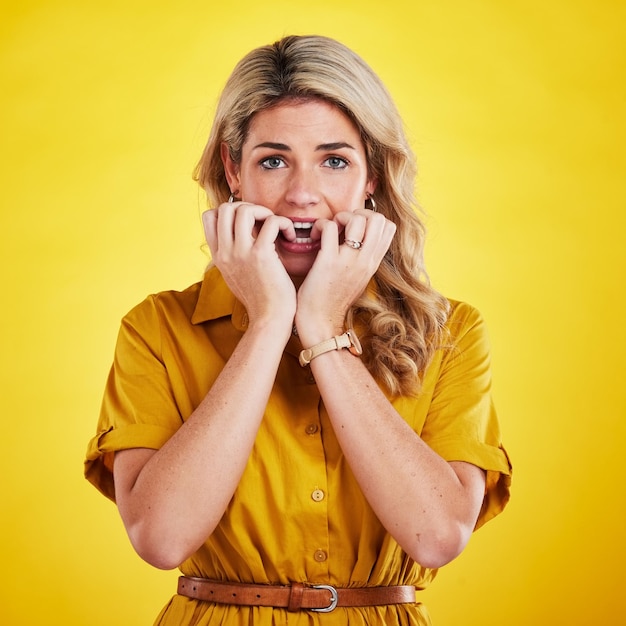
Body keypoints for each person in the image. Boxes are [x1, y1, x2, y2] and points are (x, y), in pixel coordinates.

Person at [84, 34, 512, 625]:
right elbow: (161, 539)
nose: (302, 196)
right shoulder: (156, 329)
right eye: (273, 160)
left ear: (371, 178)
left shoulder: (450, 332)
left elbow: (437, 536)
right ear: (234, 172)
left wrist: (319, 328)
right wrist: (268, 322)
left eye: (334, 160)